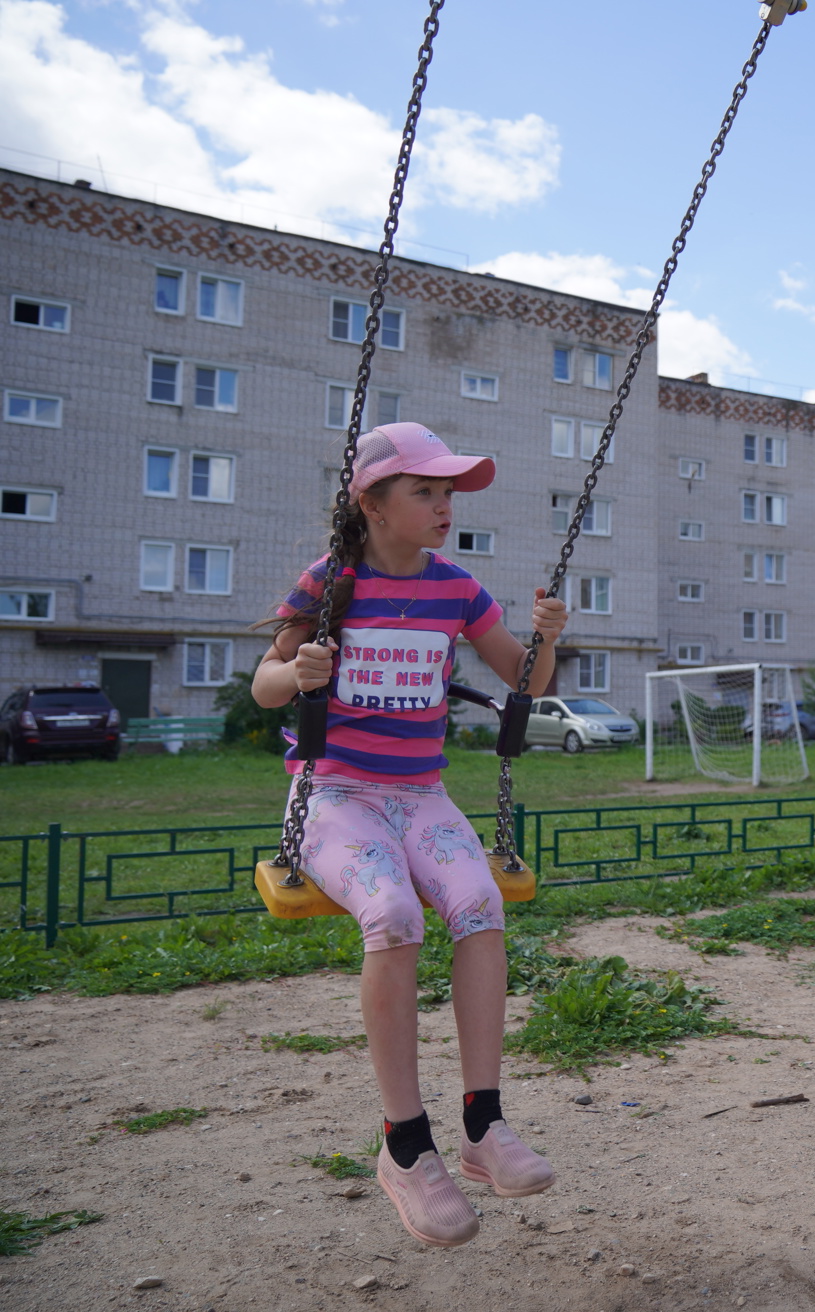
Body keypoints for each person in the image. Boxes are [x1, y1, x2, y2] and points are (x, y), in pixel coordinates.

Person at [251, 422, 565, 1247]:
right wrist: (299, 670)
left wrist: (548, 636)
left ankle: (482, 1129)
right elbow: (265, 688)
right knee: (393, 914)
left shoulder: (456, 588)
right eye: (425, 491)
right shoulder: (330, 582)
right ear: (374, 504)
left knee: (478, 901)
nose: (443, 506)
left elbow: (524, 680)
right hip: (337, 797)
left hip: (421, 794)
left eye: (448, 492)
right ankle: (404, 1145)